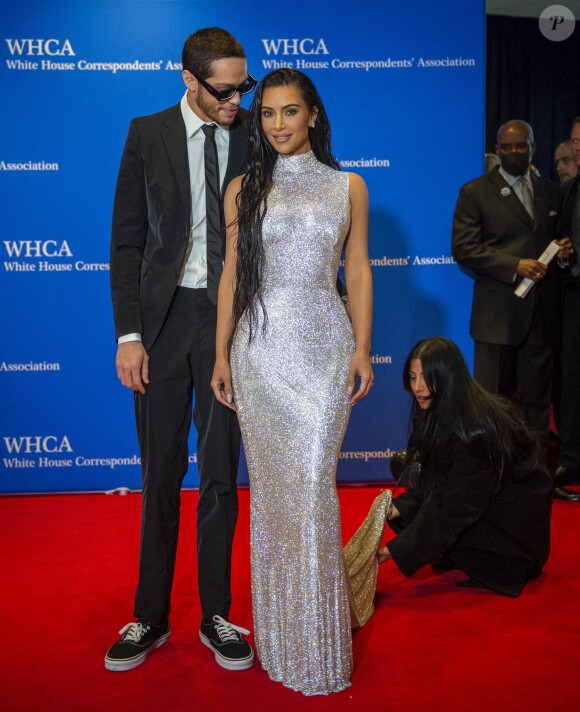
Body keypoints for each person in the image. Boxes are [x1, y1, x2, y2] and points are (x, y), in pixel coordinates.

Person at [211, 68, 374, 695]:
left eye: (290, 112)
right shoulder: (242, 190)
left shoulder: (348, 186)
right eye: (268, 114)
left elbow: (356, 270)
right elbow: (232, 280)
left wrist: (362, 347)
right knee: (277, 500)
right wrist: (223, 354)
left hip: (325, 352)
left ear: (313, 115)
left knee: (311, 489)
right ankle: (283, 635)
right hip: (259, 354)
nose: (278, 124)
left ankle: (319, 640)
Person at [106, 28, 256, 672]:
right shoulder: (147, 133)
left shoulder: (256, 133)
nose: (236, 100)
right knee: (160, 473)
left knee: (221, 473)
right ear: (190, 80)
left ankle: (217, 615)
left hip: (229, 323)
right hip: (163, 326)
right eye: (225, 90)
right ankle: (149, 616)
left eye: (243, 87)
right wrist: (129, 335)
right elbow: (127, 243)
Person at [378, 337, 553, 598]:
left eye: (427, 377)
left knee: (436, 519)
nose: (418, 387)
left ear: (448, 376)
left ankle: (491, 561)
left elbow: (456, 508)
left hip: (515, 529)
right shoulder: (437, 404)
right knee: (407, 512)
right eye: (413, 377)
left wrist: (392, 551)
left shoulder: (474, 427)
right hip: (483, 498)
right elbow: (436, 477)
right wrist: (397, 508)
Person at [451, 120, 572, 481]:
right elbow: (463, 248)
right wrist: (513, 265)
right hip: (496, 318)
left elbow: (559, 241)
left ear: (533, 147)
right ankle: (489, 479)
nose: (515, 153)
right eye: (508, 147)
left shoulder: (553, 192)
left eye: (522, 146)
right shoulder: (475, 191)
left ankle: (533, 479)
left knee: (536, 406)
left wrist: (565, 252)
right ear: (498, 149)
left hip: (541, 316)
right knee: (491, 404)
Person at [553, 117, 580, 497]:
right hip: (574, 295)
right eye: (576, 140)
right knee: (572, 381)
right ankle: (572, 460)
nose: (577, 147)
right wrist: (561, 257)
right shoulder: (569, 190)